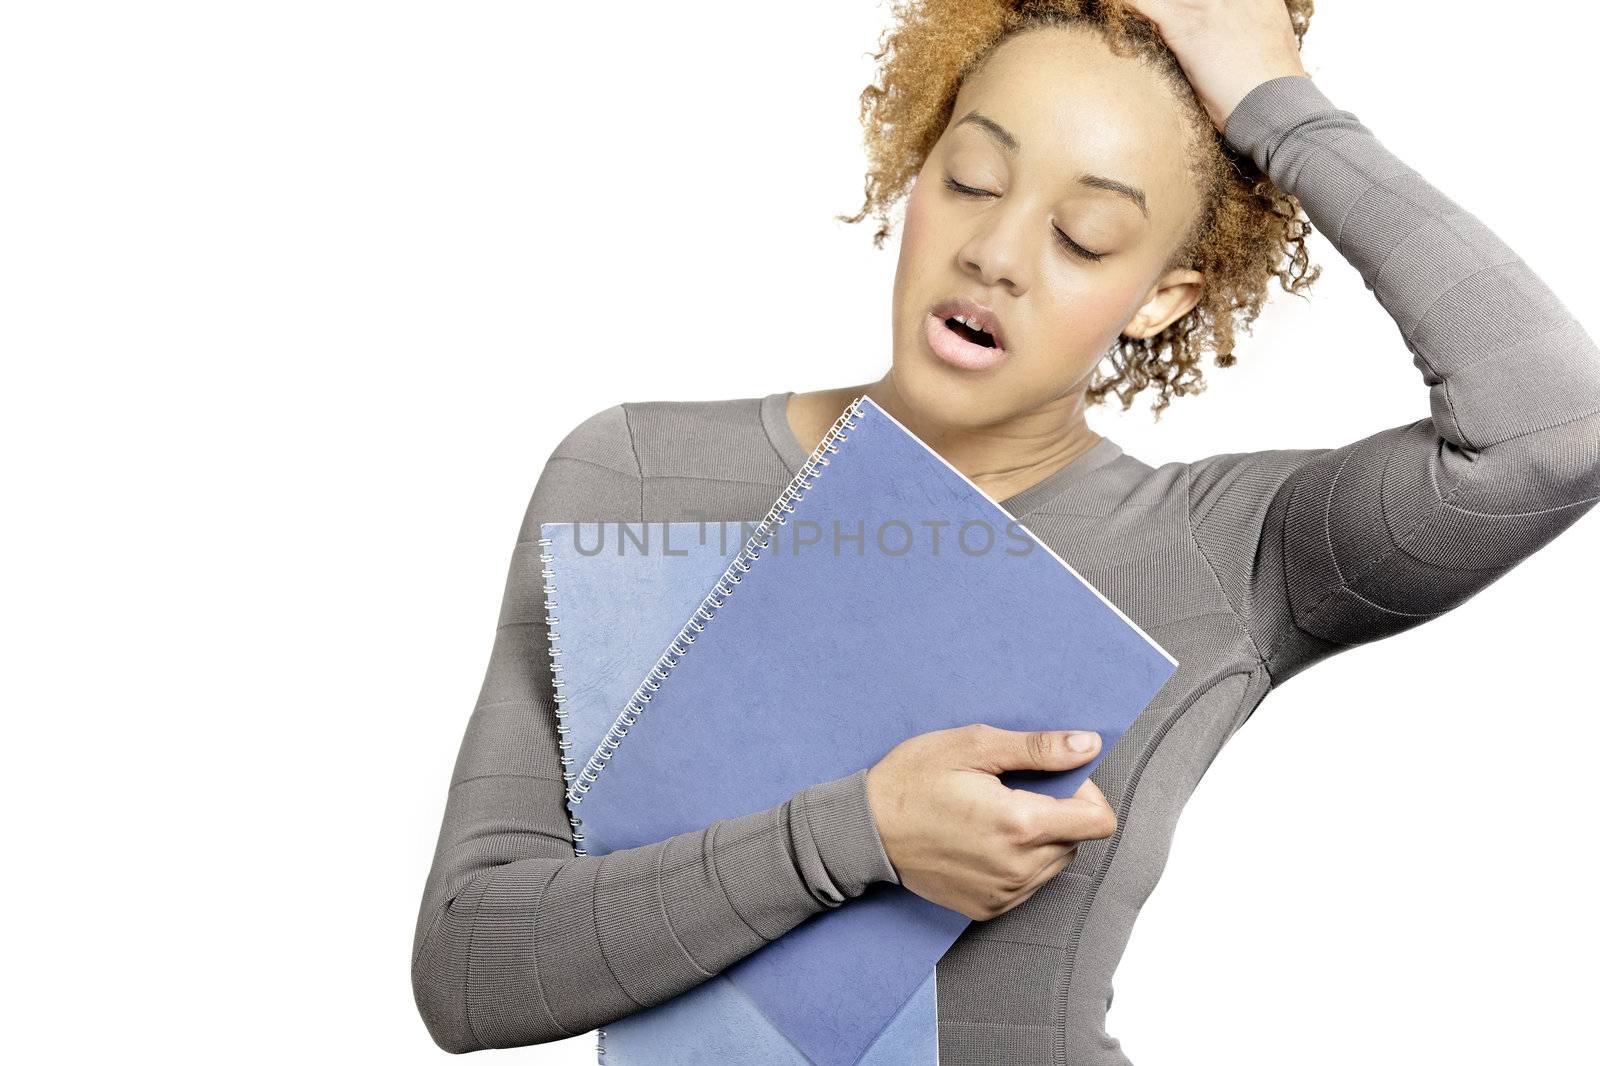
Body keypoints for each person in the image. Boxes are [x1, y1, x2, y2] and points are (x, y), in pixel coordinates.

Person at [410, 1, 1600, 1061]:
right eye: (972, 180)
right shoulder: (638, 476)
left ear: (1164, 297)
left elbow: (1555, 424)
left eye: (1084, 236)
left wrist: (1275, 105)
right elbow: (469, 972)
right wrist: (856, 834)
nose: (993, 252)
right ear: (916, 172)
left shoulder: (1223, 552)